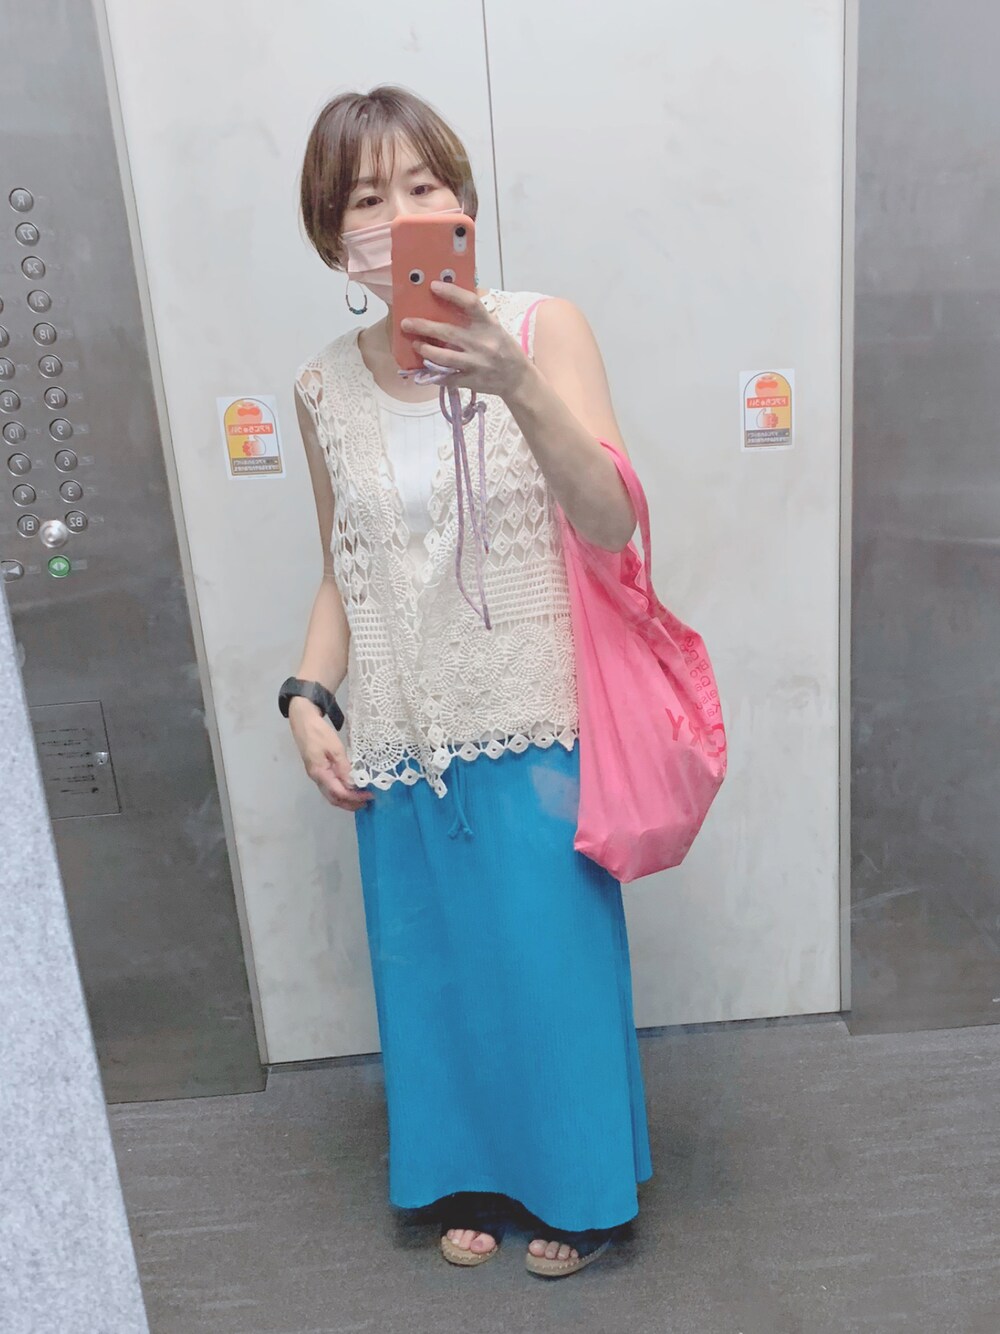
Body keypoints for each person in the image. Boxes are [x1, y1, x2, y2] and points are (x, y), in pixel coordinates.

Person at [283, 85, 652, 1279]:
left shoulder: (543, 328)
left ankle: (578, 1185)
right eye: (365, 198)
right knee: (437, 978)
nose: (397, 213)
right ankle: (474, 1176)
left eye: (422, 184)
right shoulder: (321, 387)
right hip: (401, 736)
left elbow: (610, 522)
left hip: (533, 719)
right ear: (333, 237)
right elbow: (341, 569)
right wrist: (306, 693)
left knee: (549, 970)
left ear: (462, 201)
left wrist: (513, 382)